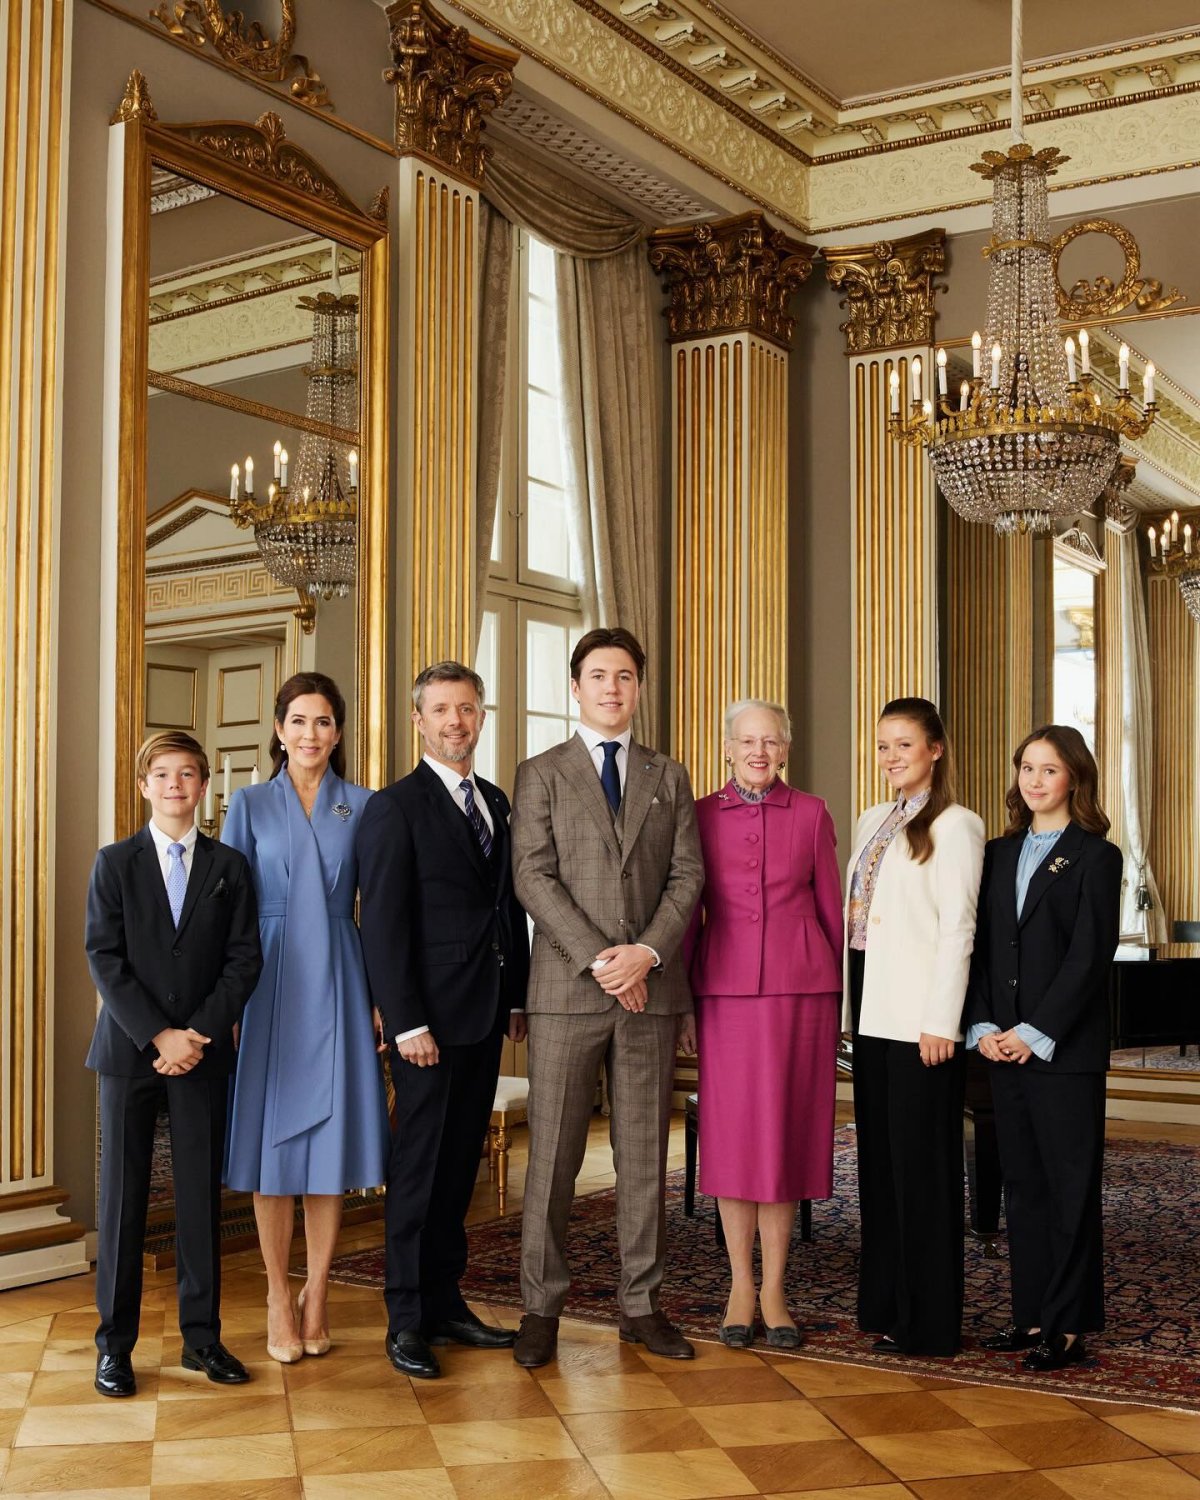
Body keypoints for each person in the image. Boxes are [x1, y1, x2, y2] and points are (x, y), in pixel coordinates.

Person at [509, 626, 705, 1369]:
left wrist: (647, 954)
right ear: (576, 685)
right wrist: (601, 959)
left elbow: (687, 876)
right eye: (599, 675)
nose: (613, 688)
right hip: (568, 988)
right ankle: (539, 1308)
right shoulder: (541, 773)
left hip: (649, 991)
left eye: (625, 676)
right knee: (553, 1155)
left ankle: (641, 1303)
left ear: (639, 687)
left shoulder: (669, 775)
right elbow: (533, 876)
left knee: (643, 1157)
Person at [357, 661, 529, 1382]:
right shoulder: (394, 807)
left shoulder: (494, 799)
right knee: (420, 1172)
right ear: (418, 720)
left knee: (458, 1168)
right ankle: (405, 1321)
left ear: (481, 716)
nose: (456, 721)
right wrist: (405, 1022)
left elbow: (505, 908)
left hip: (485, 1014)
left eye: (468, 708)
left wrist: (517, 994)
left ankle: (446, 1303)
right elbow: (382, 924)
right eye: (442, 709)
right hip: (426, 1024)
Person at [86, 731, 262, 1397]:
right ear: (144, 785)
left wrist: (197, 1035)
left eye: (188, 775)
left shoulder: (229, 867)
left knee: (198, 1201)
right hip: (129, 1054)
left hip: (205, 1054)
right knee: (124, 1202)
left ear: (204, 785)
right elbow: (104, 957)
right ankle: (115, 1348)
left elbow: (244, 959)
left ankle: (202, 1340)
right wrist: (160, 1035)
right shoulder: (114, 863)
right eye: (163, 775)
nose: (176, 786)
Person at [223, 672, 388, 1364]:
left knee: (329, 1149)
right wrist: (227, 1000)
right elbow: (226, 907)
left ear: (339, 732)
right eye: (298, 721)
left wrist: (384, 998)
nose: (310, 734)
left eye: (323, 722)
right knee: (274, 1151)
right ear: (278, 728)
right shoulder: (249, 803)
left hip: (343, 975)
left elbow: (376, 908)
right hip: (268, 978)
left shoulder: (365, 805)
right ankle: (273, 1292)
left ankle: (317, 1292)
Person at [686, 699, 843, 1350]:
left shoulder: (811, 814)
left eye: (771, 741)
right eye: (747, 741)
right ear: (726, 748)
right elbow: (688, 914)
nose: (758, 751)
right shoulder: (696, 816)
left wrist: (843, 1007)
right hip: (723, 995)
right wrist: (688, 1008)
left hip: (801, 995)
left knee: (782, 1140)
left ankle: (775, 1288)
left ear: (785, 750)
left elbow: (834, 912)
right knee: (732, 1143)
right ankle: (739, 1287)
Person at [965, 725, 1121, 1373]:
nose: (1034, 780)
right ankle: (1030, 1314)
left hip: (1063, 1052)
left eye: (1048, 769)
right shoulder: (998, 854)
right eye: (1026, 767)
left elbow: (1090, 957)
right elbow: (976, 949)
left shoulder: (1095, 856)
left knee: (1068, 1188)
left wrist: (1034, 1033)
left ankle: (1067, 1326)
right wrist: (982, 1027)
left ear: (1073, 778)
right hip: (1000, 1046)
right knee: (1023, 1187)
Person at [845, 696, 984, 1357]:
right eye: (882, 746)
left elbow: (959, 927)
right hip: (873, 1015)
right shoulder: (874, 818)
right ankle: (888, 1306)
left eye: (904, 744)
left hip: (921, 1023)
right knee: (882, 1167)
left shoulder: (958, 824)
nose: (891, 757)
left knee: (923, 1173)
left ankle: (929, 1323)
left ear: (935, 749)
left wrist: (942, 1021)